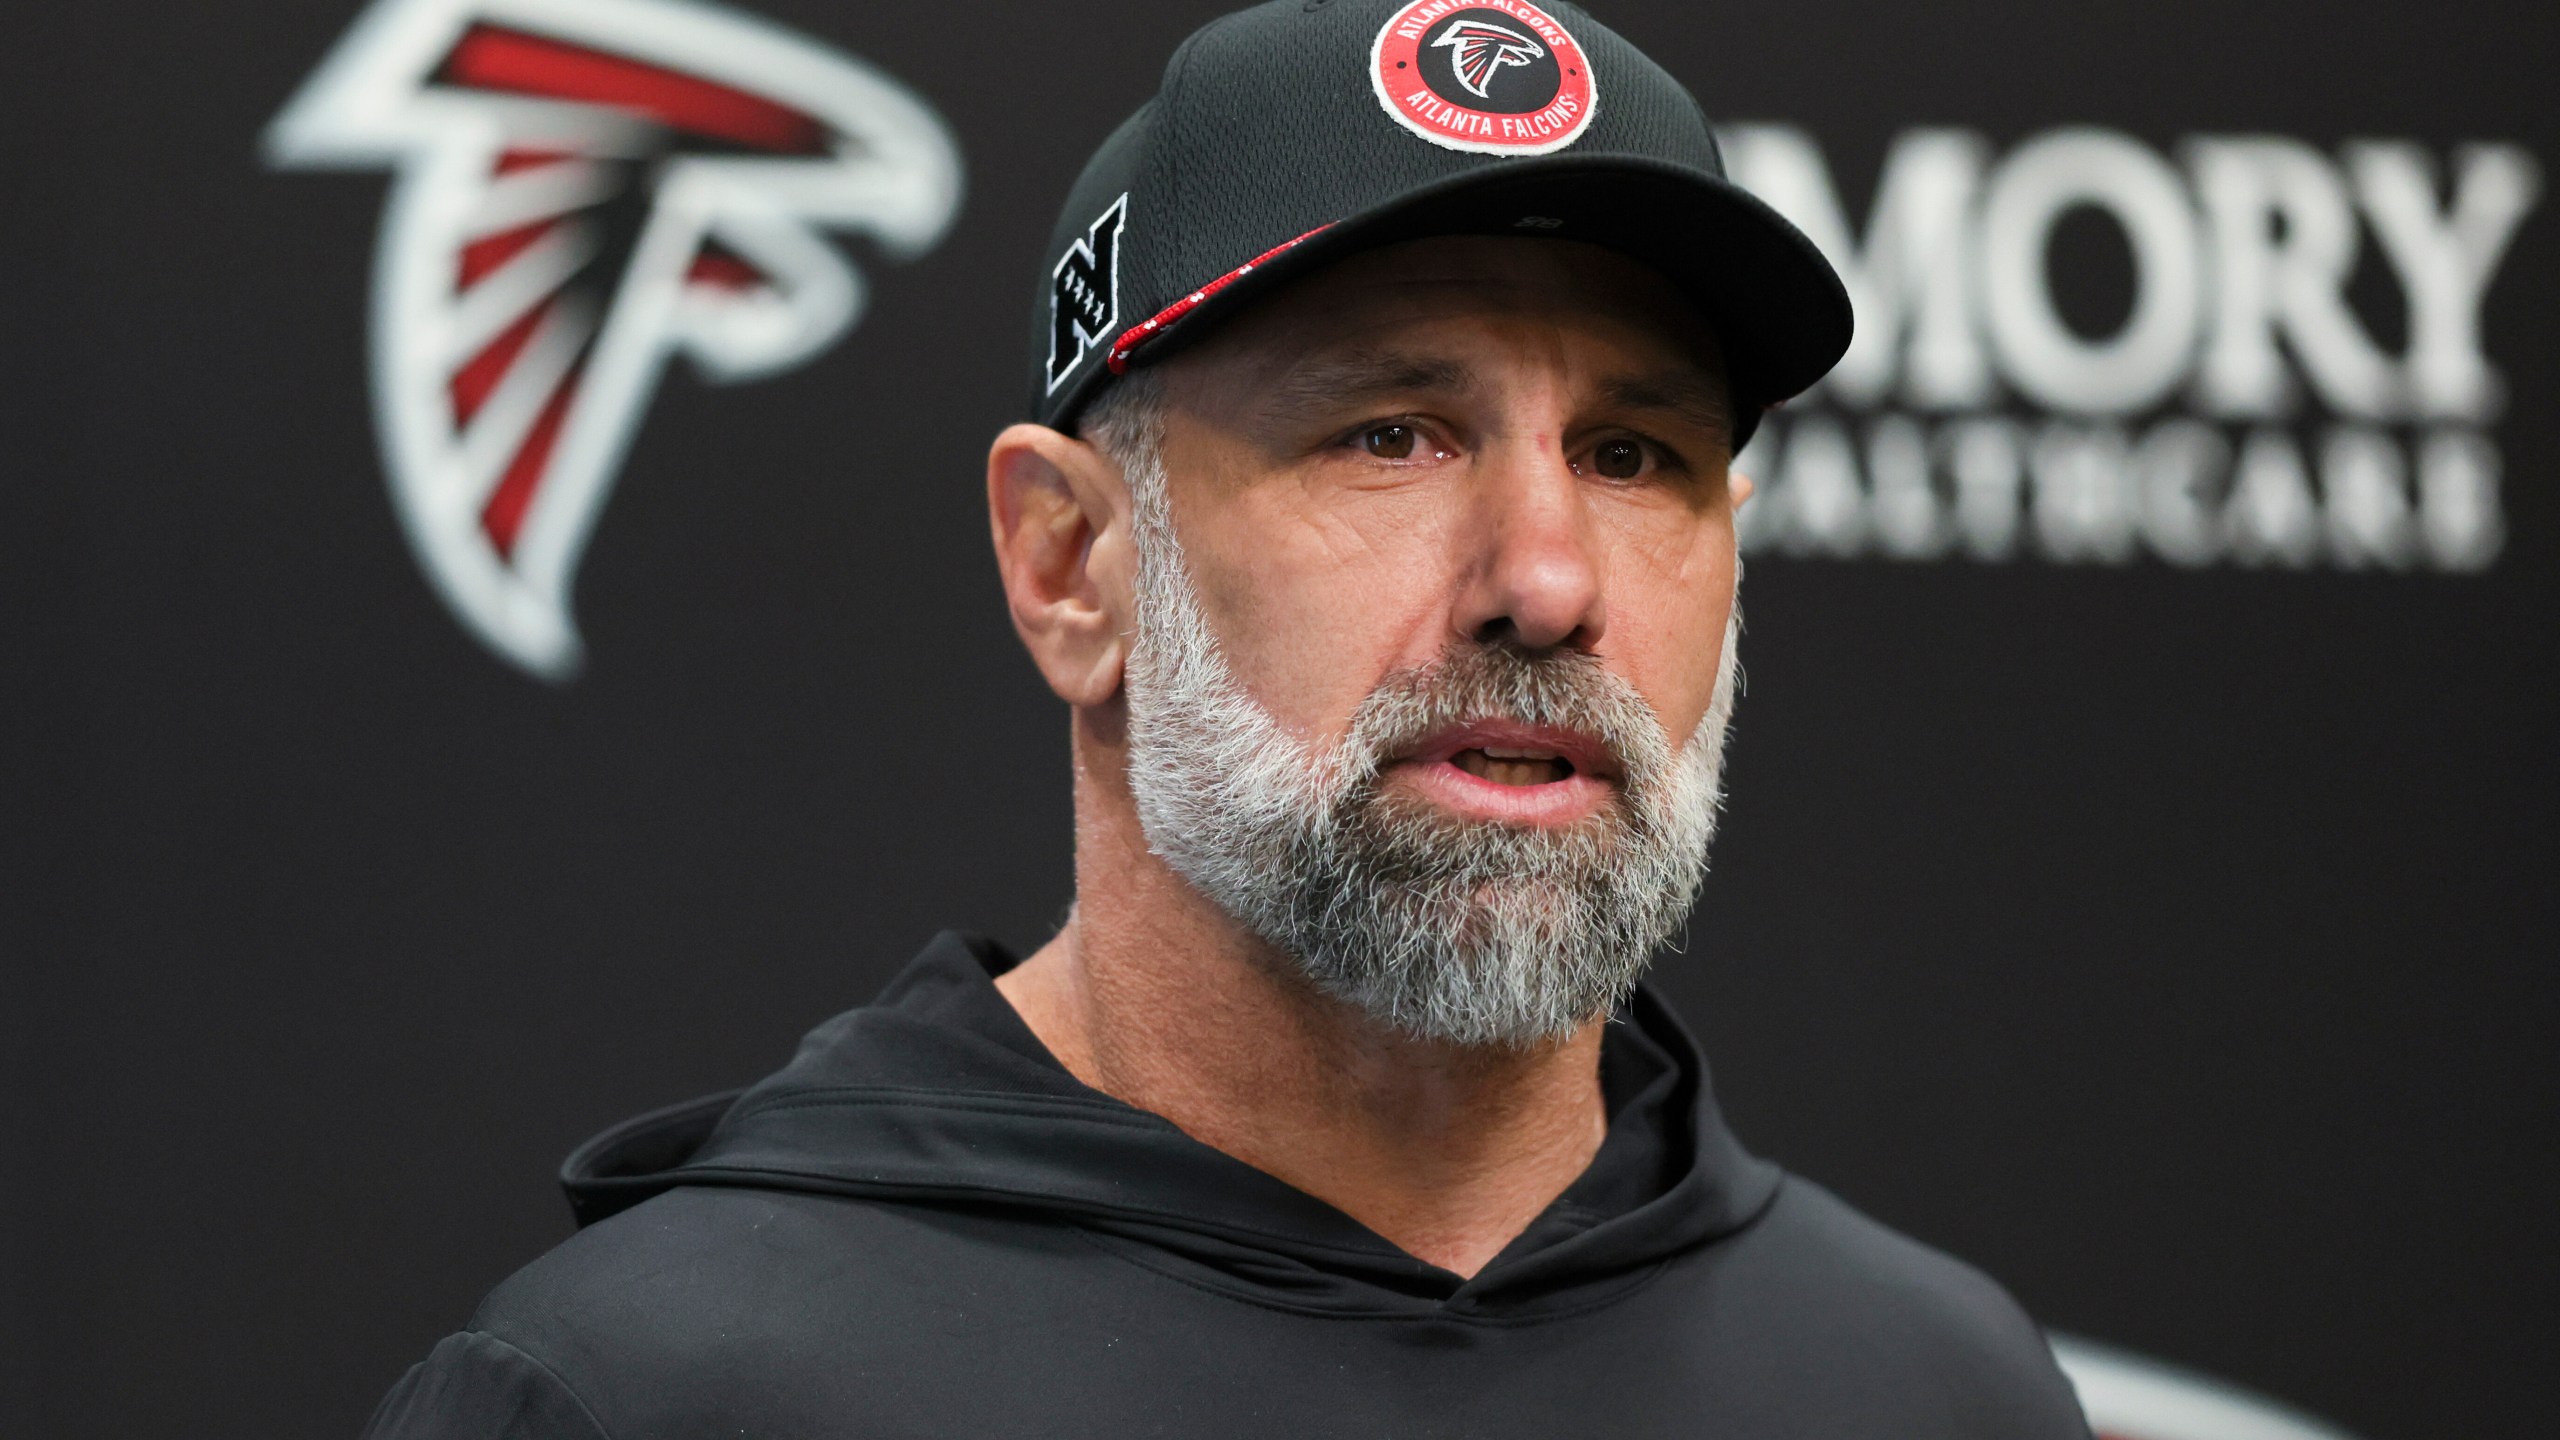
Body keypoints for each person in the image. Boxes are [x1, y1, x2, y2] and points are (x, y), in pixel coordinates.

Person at [362, 2, 2092, 1435]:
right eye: (1393, 433)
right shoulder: (658, 1393)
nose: (1548, 580)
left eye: (1636, 455)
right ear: (1071, 565)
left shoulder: (1938, 1390)